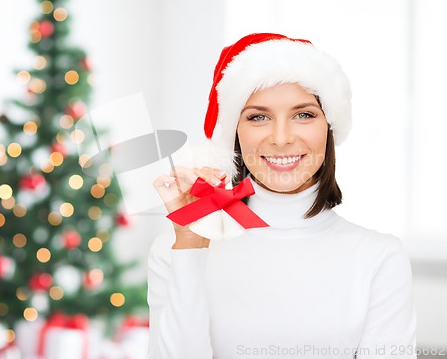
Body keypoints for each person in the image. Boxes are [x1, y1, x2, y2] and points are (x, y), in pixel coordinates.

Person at [148, 33, 417, 359]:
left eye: (303, 114)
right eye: (257, 117)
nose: (281, 138)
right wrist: (190, 248)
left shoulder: (379, 258)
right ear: (234, 132)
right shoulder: (174, 250)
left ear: (328, 127)